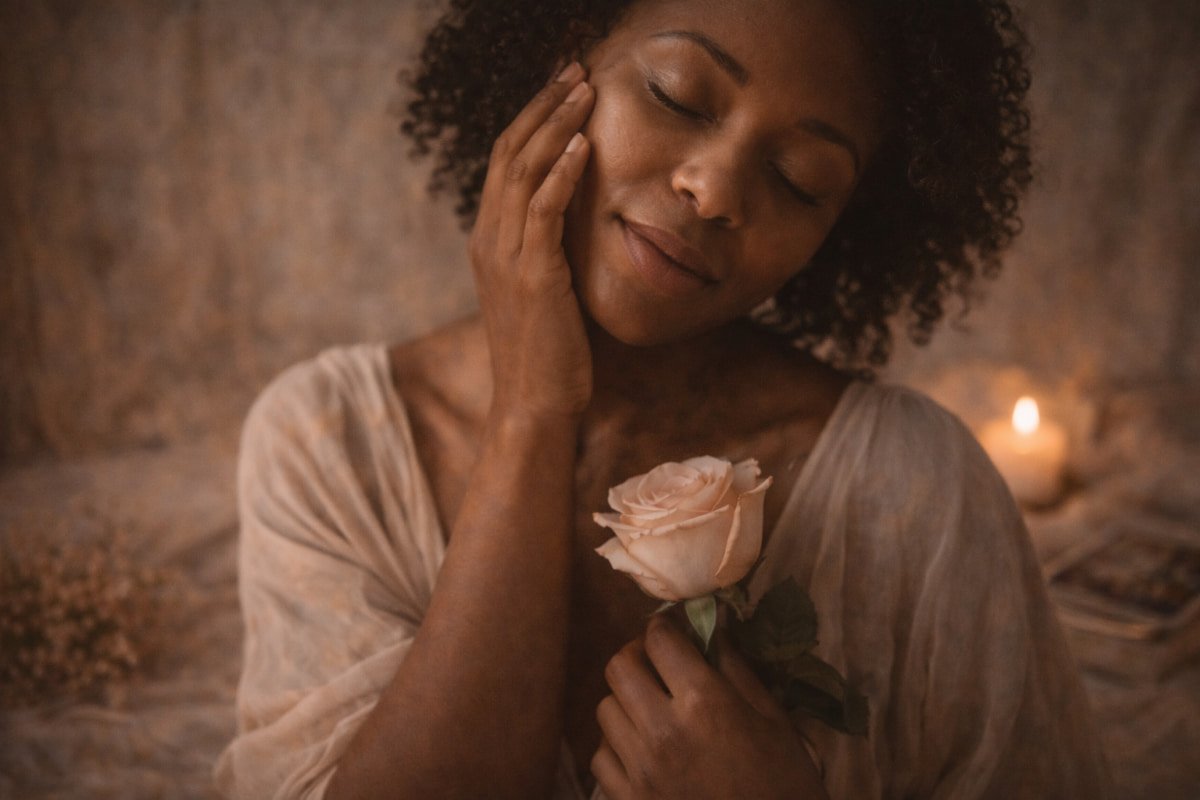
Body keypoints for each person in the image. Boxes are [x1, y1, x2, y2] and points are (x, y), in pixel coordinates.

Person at [215, 1, 1111, 798]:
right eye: (679, 96)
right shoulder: (330, 441)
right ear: (559, 52)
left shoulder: (918, 492)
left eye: (799, 177)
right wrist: (532, 412)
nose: (714, 191)